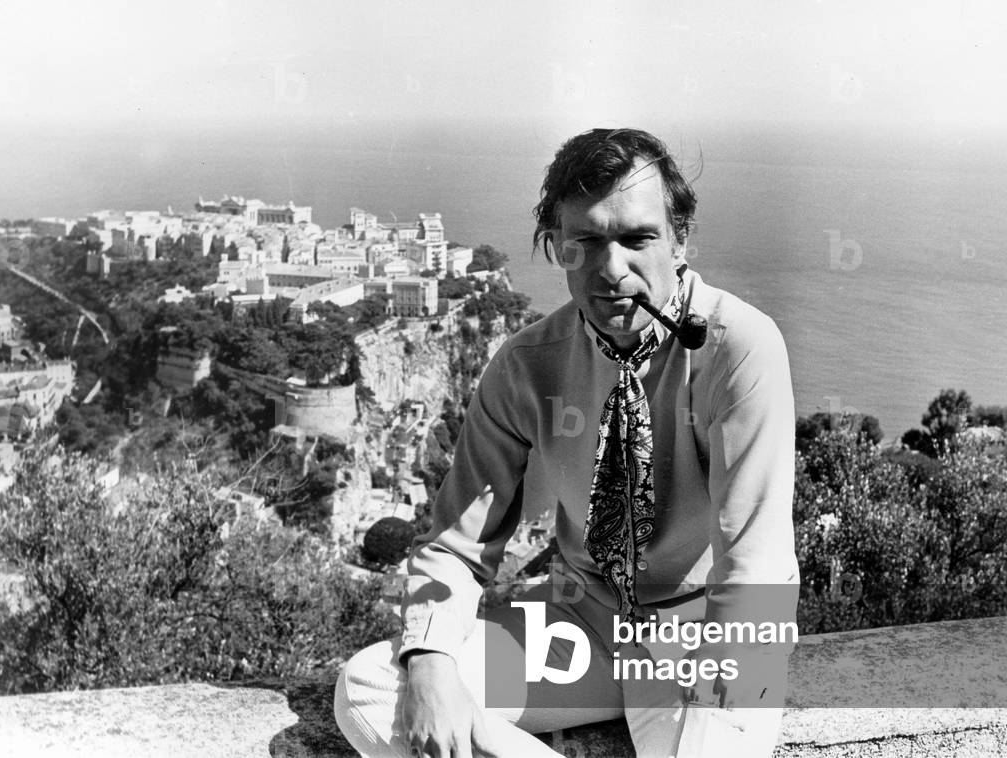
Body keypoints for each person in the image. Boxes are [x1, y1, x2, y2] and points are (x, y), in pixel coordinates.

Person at [335, 127, 799, 757]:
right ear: (557, 248)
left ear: (681, 240)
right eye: (586, 242)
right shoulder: (528, 363)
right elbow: (456, 545)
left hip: (703, 632)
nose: (612, 268)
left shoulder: (739, 345)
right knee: (369, 686)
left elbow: (756, 560)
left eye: (638, 238)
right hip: (585, 627)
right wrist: (430, 657)